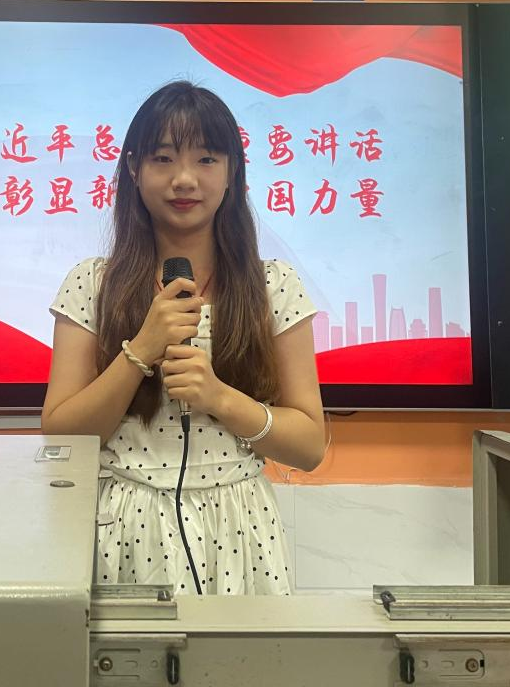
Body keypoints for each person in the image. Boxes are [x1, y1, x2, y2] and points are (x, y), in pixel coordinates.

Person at [42, 81, 325, 596]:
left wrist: (219, 398)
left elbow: (308, 447)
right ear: (133, 170)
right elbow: (61, 433)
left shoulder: (274, 286)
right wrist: (139, 353)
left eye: (206, 159)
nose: (185, 179)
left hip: (241, 528)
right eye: (163, 158)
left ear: (232, 173)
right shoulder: (91, 284)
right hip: (123, 526)